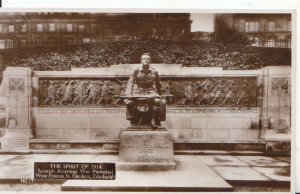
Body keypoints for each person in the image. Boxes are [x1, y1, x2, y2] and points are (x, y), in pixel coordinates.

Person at [125, 53, 162, 129]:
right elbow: (130, 83)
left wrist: (160, 94)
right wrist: (128, 94)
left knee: (157, 101)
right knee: (129, 102)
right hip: (138, 91)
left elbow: (158, 84)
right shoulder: (136, 71)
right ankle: (137, 118)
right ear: (141, 61)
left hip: (150, 91)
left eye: (147, 59)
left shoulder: (154, 71)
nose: (146, 60)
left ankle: (152, 119)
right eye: (144, 59)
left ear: (150, 61)